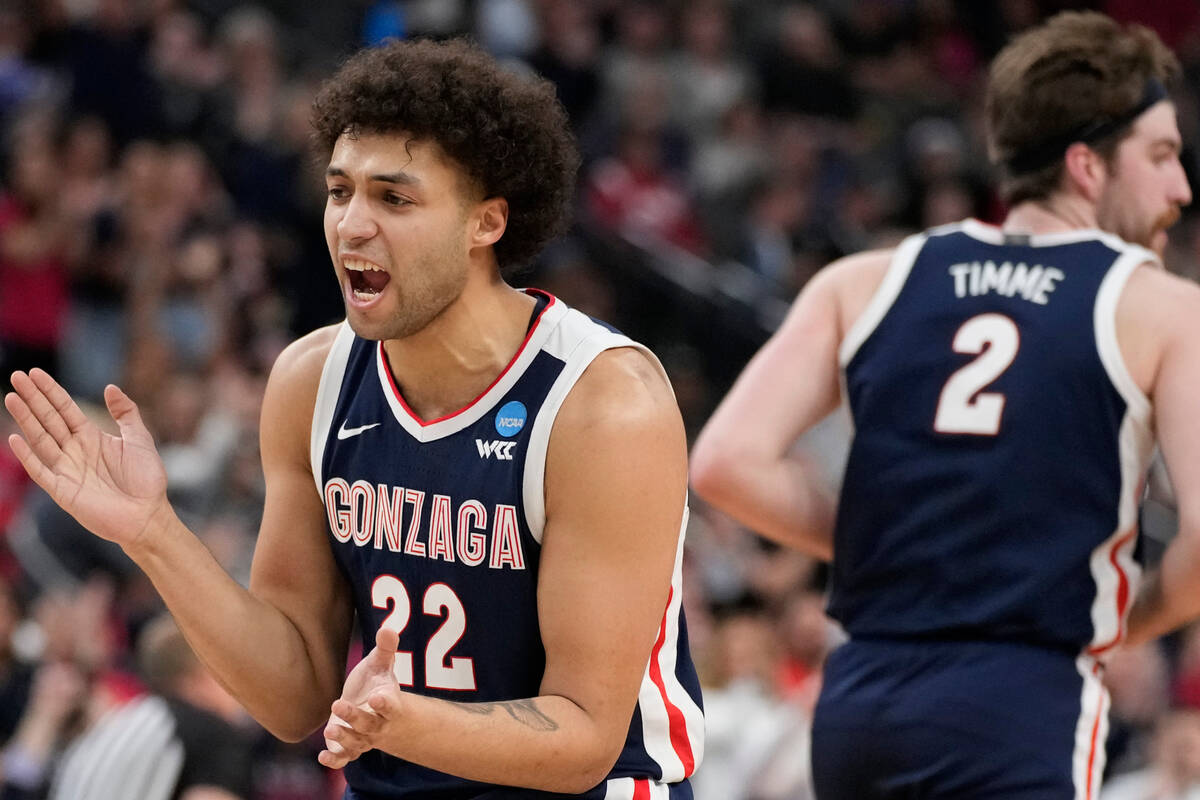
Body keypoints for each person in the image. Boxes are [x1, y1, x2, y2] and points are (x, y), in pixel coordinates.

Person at [4, 38, 704, 799]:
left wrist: (401, 723)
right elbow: (293, 692)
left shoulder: (601, 403)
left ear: (487, 221)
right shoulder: (313, 381)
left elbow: (585, 739)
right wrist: (153, 532)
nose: (351, 225)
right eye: (341, 191)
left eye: (394, 199)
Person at [691, 11, 1200, 800]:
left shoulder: (866, 279)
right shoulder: (1160, 306)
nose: (1181, 187)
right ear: (1087, 167)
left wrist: (900, 547)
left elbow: (723, 463)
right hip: (1021, 694)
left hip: (861, 697)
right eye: (1163, 155)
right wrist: (1125, 623)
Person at [48, 614, 254, 800]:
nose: (244, 687)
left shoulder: (103, 730)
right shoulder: (211, 734)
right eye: (231, 671)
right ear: (200, 677)